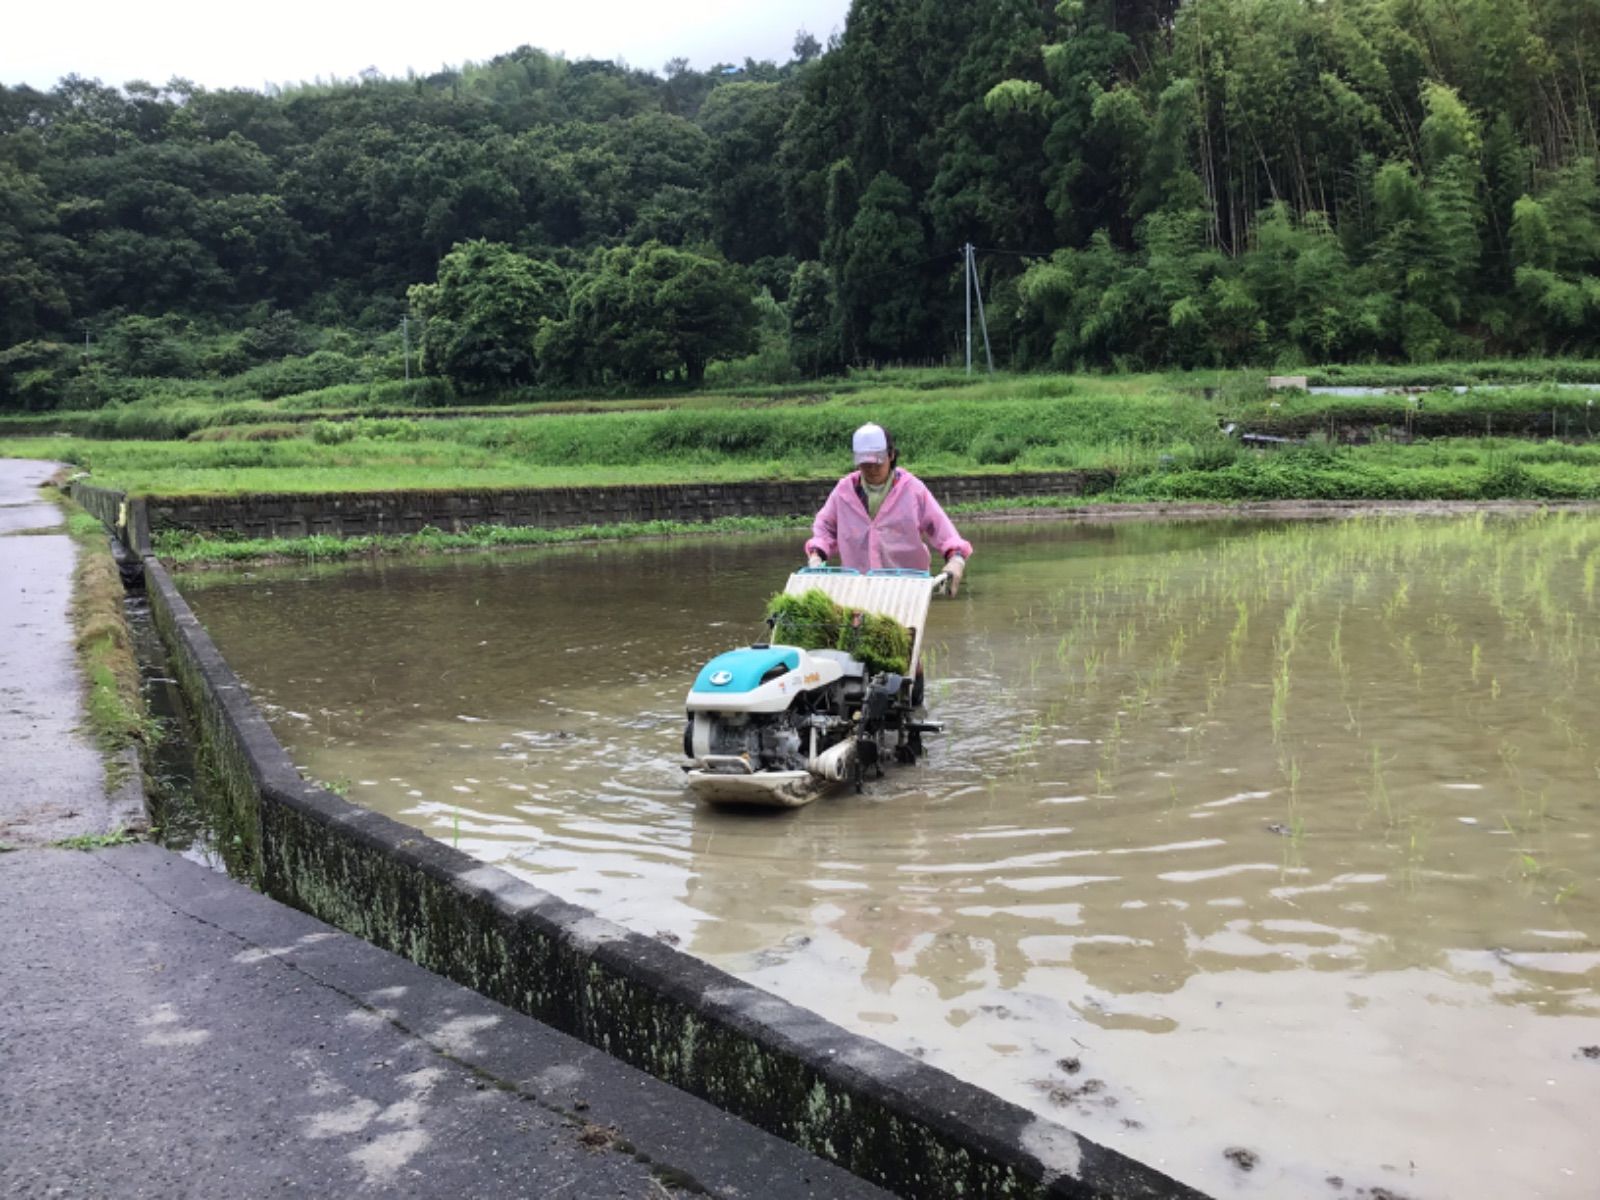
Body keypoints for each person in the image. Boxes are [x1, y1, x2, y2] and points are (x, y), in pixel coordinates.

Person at [805, 423, 972, 595]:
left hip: (909, 586)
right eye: (866, 464)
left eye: (877, 463)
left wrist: (956, 559)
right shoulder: (845, 491)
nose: (871, 470)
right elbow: (825, 528)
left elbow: (941, 528)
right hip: (859, 586)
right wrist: (817, 555)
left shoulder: (912, 489)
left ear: (891, 455)